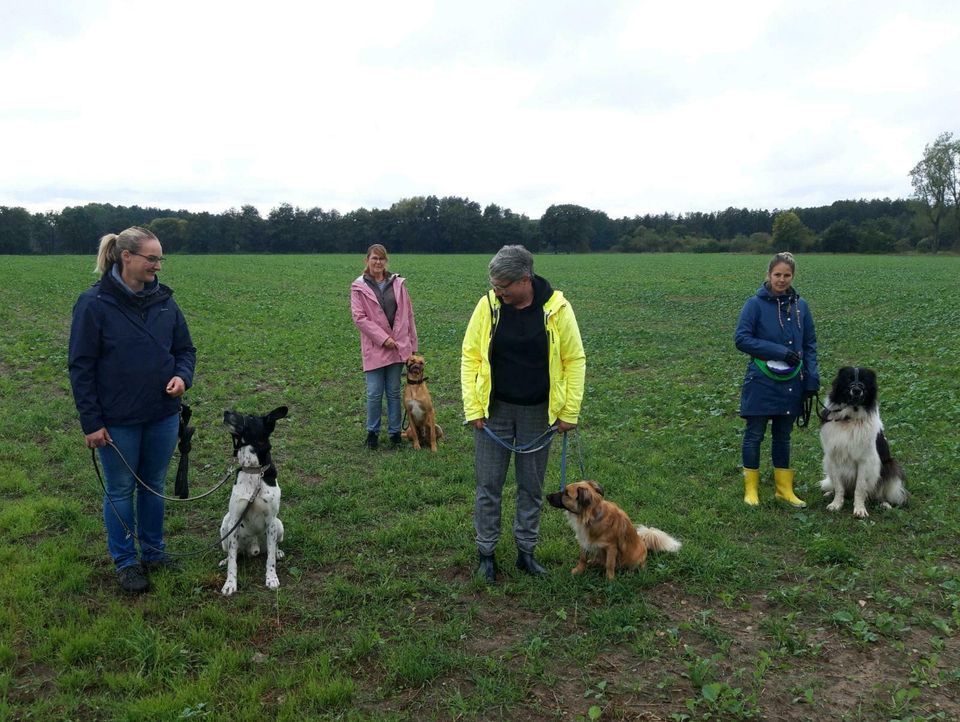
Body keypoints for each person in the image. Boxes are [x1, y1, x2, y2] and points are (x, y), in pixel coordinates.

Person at [68, 227, 196, 593]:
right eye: (151, 259)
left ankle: (154, 552)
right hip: (117, 422)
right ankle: (126, 562)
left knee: (153, 487)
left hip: (162, 414)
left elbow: (186, 350)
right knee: (121, 490)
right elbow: (81, 366)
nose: (158, 266)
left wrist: (182, 377)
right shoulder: (94, 304)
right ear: (126, 257)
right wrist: (91, 422)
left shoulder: (166, 302)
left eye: (160, 259)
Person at [461, 245, 586, 582]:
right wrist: (473, 407)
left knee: (531, 487)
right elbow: (470, 355)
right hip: (493, 412)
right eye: (495, 286)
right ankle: (486, 553)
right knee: (488, 485)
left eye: (504, 286)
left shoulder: (557, 309)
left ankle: (525, 552)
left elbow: (574, 360)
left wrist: (569, 411)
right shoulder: (488, 306)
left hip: (538, 414)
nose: (498, 292)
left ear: (525, 280)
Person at [734, 251, 819, 508]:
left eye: (787, 275)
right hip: (761, 380)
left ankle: (784, 489)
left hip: (792, 382)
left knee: (783, 436)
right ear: (768, 275)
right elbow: (742, 339)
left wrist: (812, 378)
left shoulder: (801, 306)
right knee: (755, 434)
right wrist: (779, 352)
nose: (781, 280)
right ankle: (752, 489)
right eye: (777, 275)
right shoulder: (754, 305)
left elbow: (810, 343)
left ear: (793, 276)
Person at [350, 244, 418, 450]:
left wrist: (412, 346)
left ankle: (395, 434)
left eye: (381, 259)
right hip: (375, 348)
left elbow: (408, 315)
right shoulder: (358, 287)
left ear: (386, 261)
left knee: (394, 392)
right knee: (374, 392)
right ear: (367, 261)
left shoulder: (398, 283)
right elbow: (359, 318)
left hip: (398, 346)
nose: (378, 262)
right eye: (374, 258)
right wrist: (382, 338)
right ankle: (372, 433)